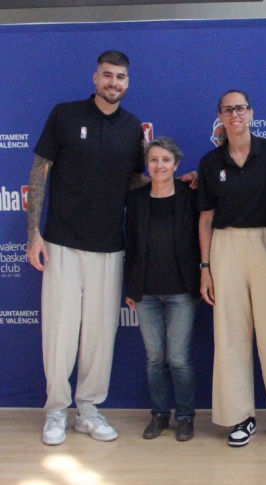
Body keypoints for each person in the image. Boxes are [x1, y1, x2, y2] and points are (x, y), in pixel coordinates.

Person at [28, 51, 152, 445]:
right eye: (107, 75)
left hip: (109, 247)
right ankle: (55, 411)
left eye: (121, 77)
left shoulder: (133, 128)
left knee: (100, 336)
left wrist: (168, 183)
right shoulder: (64, 115)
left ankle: (88, 409)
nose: (114, 82)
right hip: (62, 243)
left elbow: (133, 182)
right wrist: (34, 233)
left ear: (127, 83)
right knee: (60, 332)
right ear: (95, 78)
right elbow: (39, 171)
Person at [198, 90, 266, 448]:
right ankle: (240, 417)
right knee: (230, 337)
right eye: (228, 110)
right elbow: (205, 219)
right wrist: (205, 267)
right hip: (225, 246)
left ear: (251, 113)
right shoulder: (211, 162)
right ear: (220, 117)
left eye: (240, 108)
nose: (235, 114)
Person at [124, 137, 200, 442]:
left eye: (166, 160)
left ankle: (185, 417)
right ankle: (159, 415)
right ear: (147, 164)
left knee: (179, 358)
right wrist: (131, 287)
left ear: (176, 164)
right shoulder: (137, 198)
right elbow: (129, 245)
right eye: (153, 160)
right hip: (146, 292)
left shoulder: (190, 195)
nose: (159, 166)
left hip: (182, 291)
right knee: (154, 357)